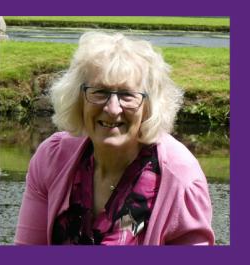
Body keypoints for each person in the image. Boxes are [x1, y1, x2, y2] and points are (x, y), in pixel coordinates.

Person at [14, 32, 215, 245]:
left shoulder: (180, 178)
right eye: (100, 92)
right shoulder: (52, 158)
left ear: (149, 106)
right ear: (79, 98)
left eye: (127, 95)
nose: (112, 108)